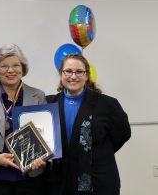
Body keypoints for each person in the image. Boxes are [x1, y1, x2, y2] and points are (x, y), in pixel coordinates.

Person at [44, 54, 131, 195]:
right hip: (59, 182)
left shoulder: (108, 104)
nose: (73, 76)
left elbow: (122, 135)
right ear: (61, 74)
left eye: (79, 72)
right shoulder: (48, 103)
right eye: (68, 71)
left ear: (86, 75)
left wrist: (96, 152)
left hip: (98, 181)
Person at [0, 44, 46, 195]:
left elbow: (45, 137)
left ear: (23, 69)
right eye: (4, 66)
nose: (10, 70)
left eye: (16, 65)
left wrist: (41, 157)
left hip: (30, 177)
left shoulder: (38, 95)